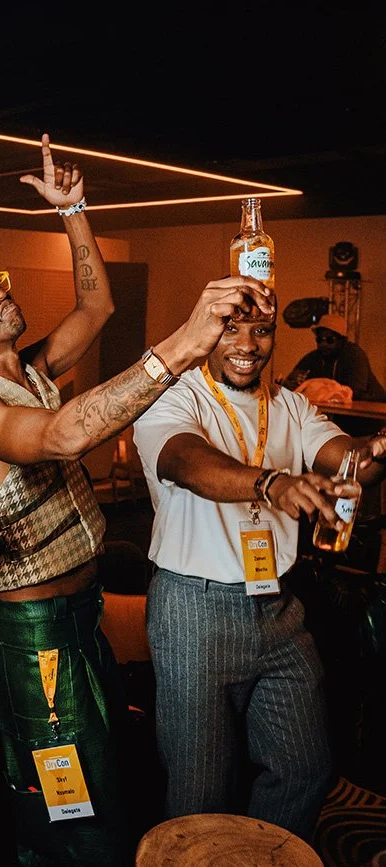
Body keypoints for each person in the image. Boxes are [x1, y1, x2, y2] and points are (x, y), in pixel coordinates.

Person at [0, 132, 276, 866]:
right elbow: (61, 436)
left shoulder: (36, 366)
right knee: (68, 799)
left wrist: (74, 209)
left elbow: (98, 303)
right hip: (32, 632)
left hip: (81, 613)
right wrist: (183, 344)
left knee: (108, 771)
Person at [132, 295, 386, 842]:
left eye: (261, 331)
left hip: (279, 609)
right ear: (205, 331)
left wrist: (379, 451)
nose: (247, 345)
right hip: (194, 610)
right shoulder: (171, 398)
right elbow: (186, 462)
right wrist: (272, 482)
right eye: (231, 328)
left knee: (304, 770)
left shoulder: (290, 405)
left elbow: (348, 461)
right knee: (201, 790)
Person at [281, 313, 386, 402]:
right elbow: (294, 383)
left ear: (343, 340)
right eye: (319, 339)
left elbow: (354, 391)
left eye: (330, 340)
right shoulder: (314, 357)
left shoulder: (354, 355)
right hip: (340, 414)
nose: (323, 344)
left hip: (370, 414)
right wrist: (290, 383)